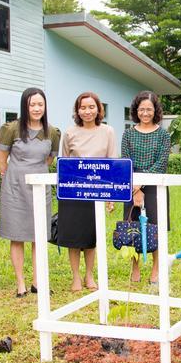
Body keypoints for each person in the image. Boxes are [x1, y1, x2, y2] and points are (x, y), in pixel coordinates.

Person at [0, 88, 60, 297]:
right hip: (15, 187)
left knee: (38, 236)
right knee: (17, 235)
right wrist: (14, 176)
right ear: (25, 106)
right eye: (32, 104)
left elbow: (49, 160)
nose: (36, 108)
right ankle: (20, 283)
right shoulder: (11, 129)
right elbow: (1, 159)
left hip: (40, 187)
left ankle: (37, 281)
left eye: (40, 104)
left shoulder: (52, 132)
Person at [55, 92, 116, 292]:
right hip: (73, 192)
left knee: (91, 236)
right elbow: (64, 163)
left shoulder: (108, 131)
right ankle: (75, 277)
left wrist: (111, 197)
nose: (87, 111)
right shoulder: (69, 133)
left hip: (97, 191)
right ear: (77, 110)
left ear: (98, 109)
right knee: (73, 236)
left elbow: (112, 162)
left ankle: (89, 275)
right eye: (83, 107)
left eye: (91, 107)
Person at [121, 91, 170, 284]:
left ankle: (156, 268)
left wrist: (141, 184)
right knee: (132, 227)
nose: (145, 113)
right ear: (136, 110)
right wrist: (135, 189)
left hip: (155, 187)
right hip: (131, 185)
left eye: (149, 109)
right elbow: (126, 161)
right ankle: (135, 267)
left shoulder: (163, 135)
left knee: (156, 227)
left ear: (155, 110)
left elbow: (161, 164)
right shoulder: (128, 134)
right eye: (141, 109)